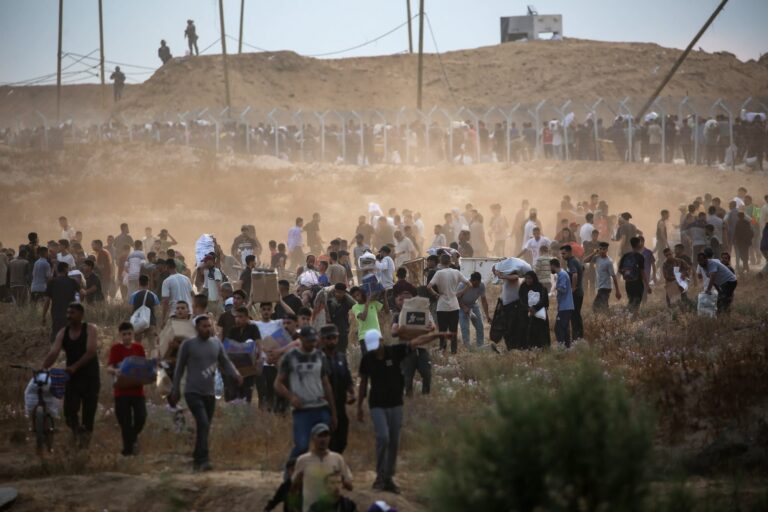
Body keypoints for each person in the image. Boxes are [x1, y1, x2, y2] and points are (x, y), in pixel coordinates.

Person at [357, 329, 451, 493]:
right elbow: (364, 383)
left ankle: (388, 478)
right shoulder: (367, 359)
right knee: (383, 437)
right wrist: (359, 406)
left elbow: (418, 340)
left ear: (382, 340)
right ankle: (380, 475)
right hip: (377, 405)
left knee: (394, 441)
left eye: (377, 345)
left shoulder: (394, 352)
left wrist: (438, 335)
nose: (375, 349)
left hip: (395, 404)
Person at [169, 315, 242, 471]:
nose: (207, 329)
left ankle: (197, 457)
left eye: (209, 326)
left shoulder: (216, 344)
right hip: (192, 391)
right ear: (197, 328)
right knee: (202, 422)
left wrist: (235, 374)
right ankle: (203, 460)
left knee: (205, 426)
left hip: (209, 393)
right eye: (204, 326)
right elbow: (179, 368)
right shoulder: (188, 345)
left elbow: (225, 362)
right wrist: (175, 389)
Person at [275, 326, 337, 462]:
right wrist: (291, 397)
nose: (312, 344)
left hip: (321, 408)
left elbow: (326, 384)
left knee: (324, 448)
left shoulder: (320, 356)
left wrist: (333, 412)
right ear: (301, 339)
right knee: (301, 447)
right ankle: (290, 477)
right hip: (302, 410)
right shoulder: (290, 357)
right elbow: (278, 383)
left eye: (314, 340)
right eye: (309, 341)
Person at [41, 303, 99, 448]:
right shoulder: (63, 332)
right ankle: (76, 431)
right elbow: (54, 352)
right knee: (69, 411)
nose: (68, 316)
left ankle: (84, 447)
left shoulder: (90, 329)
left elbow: (91, 352)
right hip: (73, 378)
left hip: (90, 377)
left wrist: (74, 366)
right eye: (68, 313)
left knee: (88, 414)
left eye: (72, 313)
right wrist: (43, 367)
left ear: (81, 315)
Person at [292, 424, 354, 512]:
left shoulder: (337, 458)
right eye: (320, 436)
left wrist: (340, 480)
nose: (323, 439)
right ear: (313, 438)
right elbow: (293, 488)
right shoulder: (303, 460)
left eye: (326, 436)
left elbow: (350, 486)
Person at [107, 322, 147, 456]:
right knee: (125, 422)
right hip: (121, 392)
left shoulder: (139, 348)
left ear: (133, 334)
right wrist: (116, 371)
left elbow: (144, 366)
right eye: (124, 334)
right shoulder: (116, 349)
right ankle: (128, 451)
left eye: (129, 334)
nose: (127, 337)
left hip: (137, 391)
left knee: (141, 417)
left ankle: (133, 438)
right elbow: (109, 367)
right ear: (120, 335)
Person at [319, 324, 355, 454]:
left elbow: (347, 377)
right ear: (322, 339)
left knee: (342, 437)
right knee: (328, 438)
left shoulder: (340, 357)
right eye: (328, 338)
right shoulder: (318, 358)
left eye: (334, 337)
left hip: (340, 403)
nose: (332, 341)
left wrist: (351, 392)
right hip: (323, 405)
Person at [427, 253, 470, 354]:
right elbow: (469, 284)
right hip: (454, 305)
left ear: (440, 262)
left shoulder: (439, 273)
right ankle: (454, 351)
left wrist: (436, 294)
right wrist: (460, 293)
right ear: (450, 262)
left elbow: (428, 287)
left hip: (442, 306)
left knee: (442, 330)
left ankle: (442, 349)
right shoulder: (456, 272)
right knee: (453, 330)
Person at [223, 306, 261, 403]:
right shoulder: (233, 330)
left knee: (246, 395)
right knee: (233, 395)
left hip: (248, 367)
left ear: (247, 317)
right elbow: (227, 346)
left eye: (240, 317)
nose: (238, 319)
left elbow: (258, 344)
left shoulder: (253, 328)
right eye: (236, 317)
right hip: (235, 367)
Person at [42, 261, 79, 343]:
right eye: (68, 268)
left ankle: (55, 352)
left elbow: (47, 301)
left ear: (57, 270)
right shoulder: (73, 281)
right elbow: (83, 293)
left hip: (56, 314)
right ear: (66, 269)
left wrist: (43, 315)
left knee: (56, 335)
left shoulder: (52, 282)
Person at [456, 272, 490, 349]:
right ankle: (467, 346)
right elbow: (457, 298)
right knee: (465, 327)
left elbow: (484, 300)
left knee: (480, 325)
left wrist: (487, 315)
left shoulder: (481, 285)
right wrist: (464, 307)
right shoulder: (462, 285)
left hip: (474, 305)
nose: (477, 285)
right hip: (461, 307)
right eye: (476, 283)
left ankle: (480, 345)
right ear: (471, 281)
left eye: (479, 283)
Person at [618, 237, 650, 316]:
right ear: (639, 244)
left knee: (631, 300)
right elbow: (643, 272)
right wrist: (647, 285)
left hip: (628, 284)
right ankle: (629, 317)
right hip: (638, 283)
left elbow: (619, 270)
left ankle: (626, 317)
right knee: (636, 303)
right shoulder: (640, 257)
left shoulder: (625, 256)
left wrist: (627, 275)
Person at [584, 242, 620, 312]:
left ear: (607, 250)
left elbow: (614, 276)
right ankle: (608, 317)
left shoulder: (609, 262)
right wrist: (594, 253)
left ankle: (606, 318)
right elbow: (585, 260)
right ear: (598, 249)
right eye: (601, 249)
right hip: (600, 286)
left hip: (606, 287)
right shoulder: (597, 258)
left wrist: (617, 291)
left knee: (596, 306)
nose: (602, 251)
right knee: (603, 306)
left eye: (604, 249)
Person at [518, 271, 550, 349]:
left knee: (541, 332)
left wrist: (535, 308)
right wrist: (528, 308)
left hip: (539, 315)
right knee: (529, 332)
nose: (528, 280)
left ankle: (544, 348)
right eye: (526, 278)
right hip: (527, 315)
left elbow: (543, 299)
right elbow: (521, 300)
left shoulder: (540, 287)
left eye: (530, 278)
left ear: (534, 278)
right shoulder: (523, 287)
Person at [560, 245, 584, 340]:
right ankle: (579, 337)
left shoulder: (571, 262)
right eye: (561, 254)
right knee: (576, 315)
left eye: (564, 253)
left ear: (570, 252)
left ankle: (576, 338)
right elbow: (582, 268)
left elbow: (574, 275)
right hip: (579, 292)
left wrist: (573, 288)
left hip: (576, 293)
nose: (562, 255)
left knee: (574, 316)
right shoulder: (576, 260)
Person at [161, 258, 194, 324]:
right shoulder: (186, 278)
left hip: (176, 313)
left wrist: (163, 318)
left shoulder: (166, 281)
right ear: (175, 266)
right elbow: (192, 294)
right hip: (189, 312)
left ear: (166, 267)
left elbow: (165, 301)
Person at [350, 287, 382, 352]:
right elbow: (363, 318)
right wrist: (367, 303)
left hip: (377, 335)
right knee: (368, 360)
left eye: (358, 295)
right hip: (364, 337)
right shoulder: (355, 307)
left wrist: (384, 295)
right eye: (354, 297)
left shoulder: (373, 302)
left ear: (362, 293)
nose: (357, 298)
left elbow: (386, 311)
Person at [550, 259, 574, 346]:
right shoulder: (561, 274)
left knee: (558, 328)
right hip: (565, 306)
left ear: (553, 265)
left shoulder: (562, 275)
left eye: (550, 267)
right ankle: (567, 348)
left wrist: (555, 287)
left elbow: (563, 289)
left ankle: (561, 348)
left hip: (565, 306)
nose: (550, 269)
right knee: (565, 328)